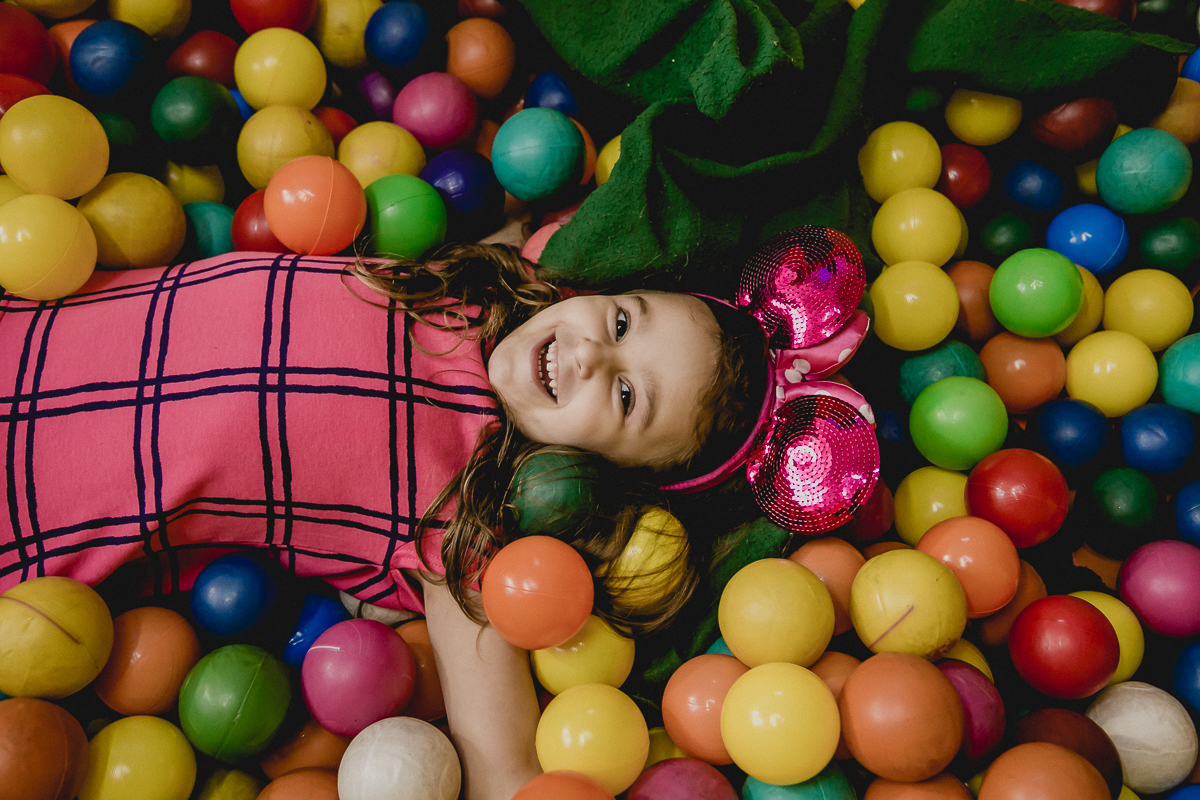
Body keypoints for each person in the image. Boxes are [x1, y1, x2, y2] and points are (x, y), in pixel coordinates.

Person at [0, 240, 770, 799]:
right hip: (26, 327)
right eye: (626, 323)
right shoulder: (488, 285)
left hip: (29, 505)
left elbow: (503, 772)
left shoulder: (469, 528)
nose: (594, 355)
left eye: (629, 398)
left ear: (610, 477)